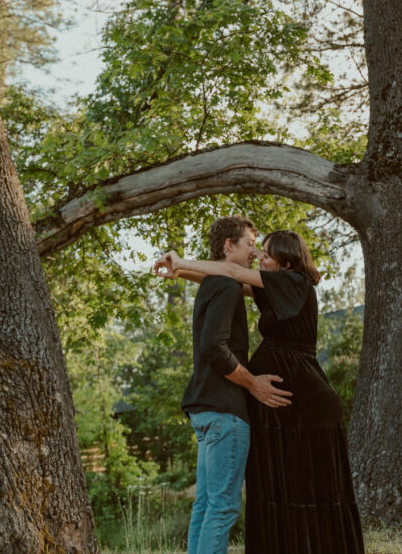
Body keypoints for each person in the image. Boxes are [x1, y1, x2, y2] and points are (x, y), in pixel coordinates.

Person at [156, 229, 365, 554]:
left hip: (304, 404)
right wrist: (181, 271)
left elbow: (231, 272)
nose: (259, 257)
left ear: (286, 260)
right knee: (270, 492)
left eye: (266, 253)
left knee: (306, 491)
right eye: (257, 249)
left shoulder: (296, 283)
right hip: (279, 407)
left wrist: (181, 261)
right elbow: (226, 280)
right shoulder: (276, 287)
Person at [156, 216, 292, 554]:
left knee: (205, 506)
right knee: (223, 508)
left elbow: (227, 278)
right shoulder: (226, 285)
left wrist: (180, 268)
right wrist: (252, 384)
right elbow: (214, 349)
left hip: (206, 411)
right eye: (248, 244)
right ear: (228, 245)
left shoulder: (213, 283)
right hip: (224, 413)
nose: (253, 252)